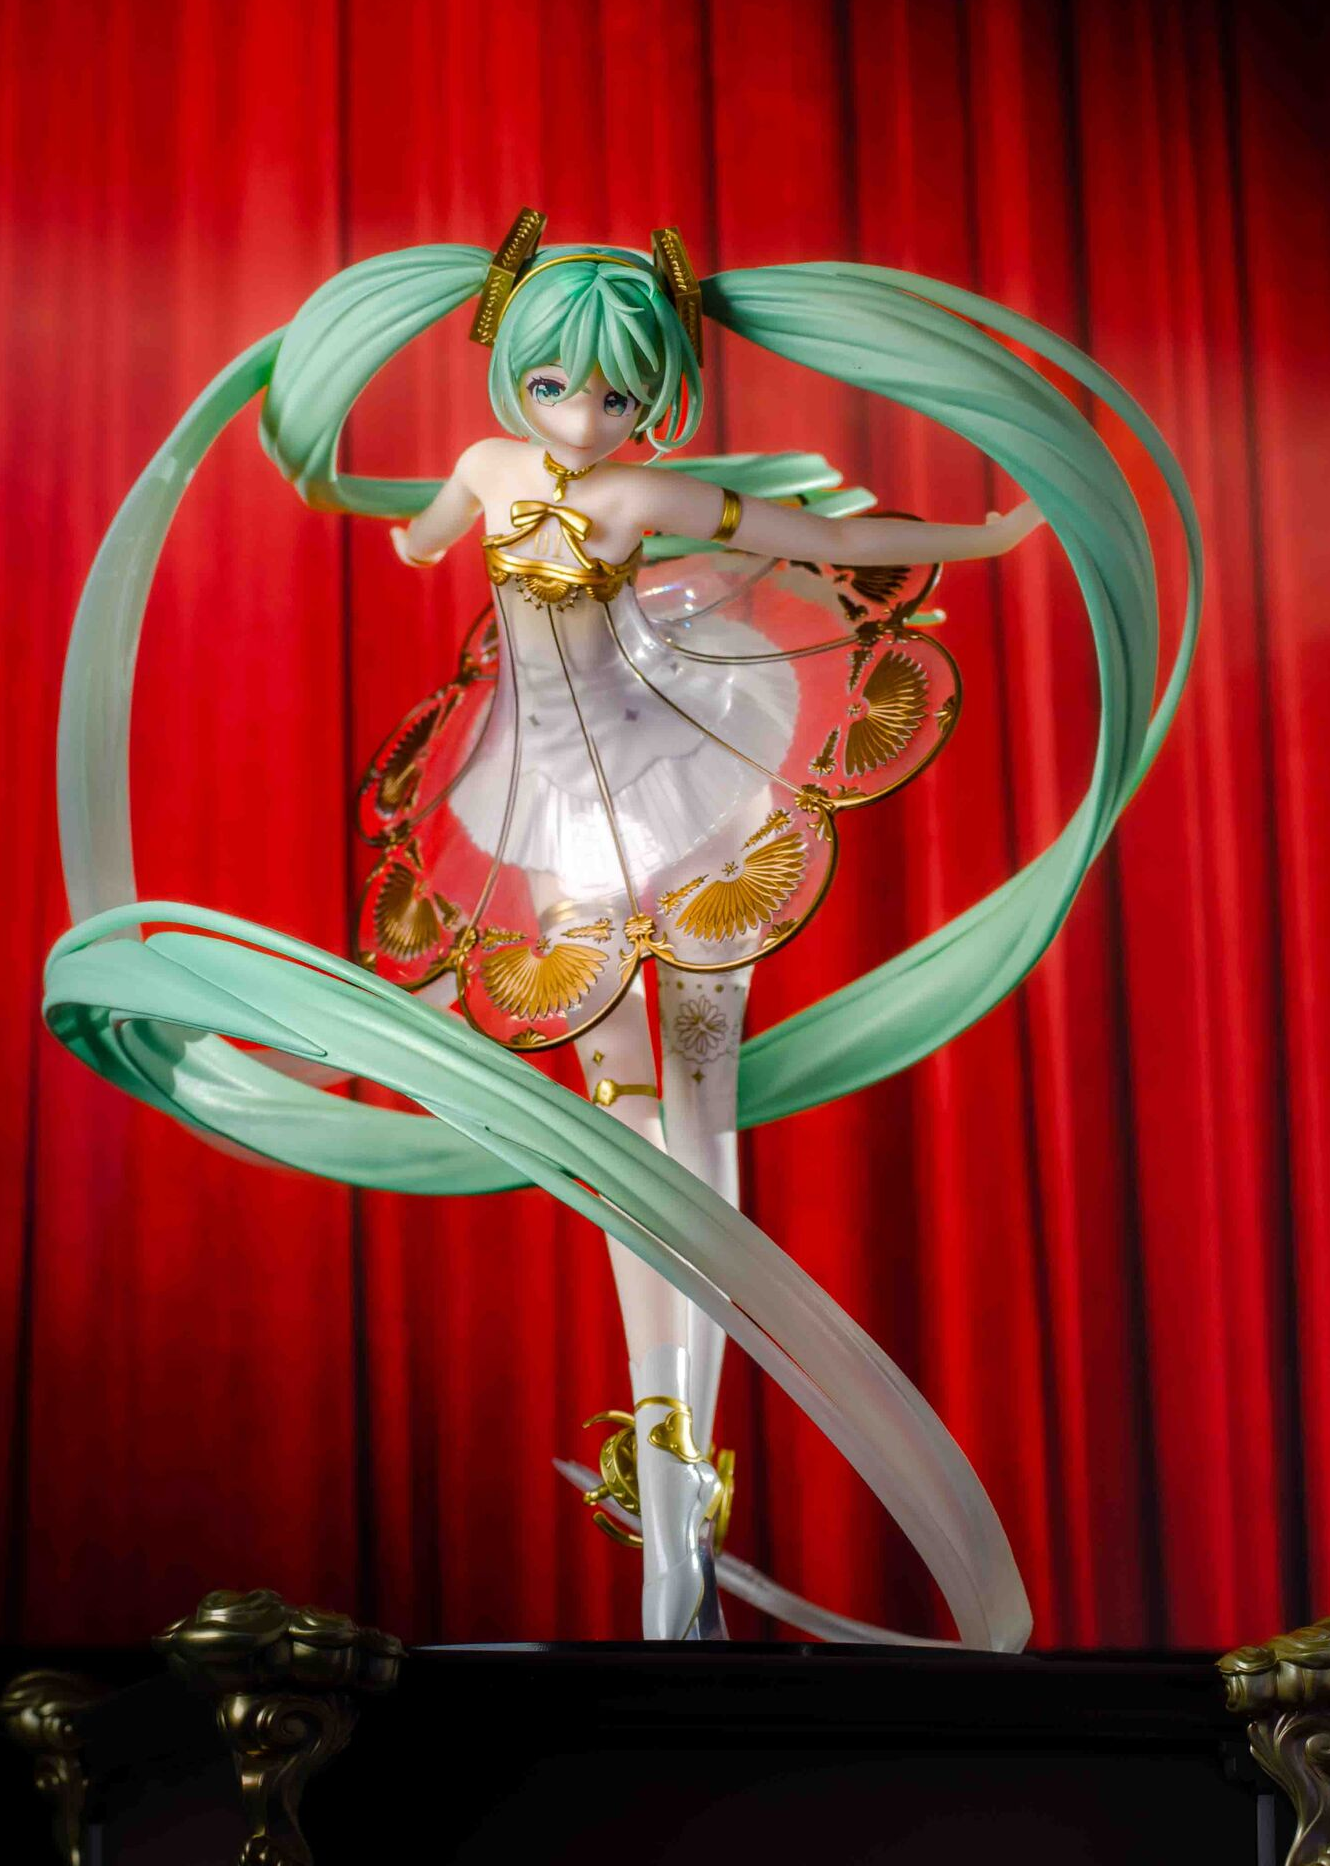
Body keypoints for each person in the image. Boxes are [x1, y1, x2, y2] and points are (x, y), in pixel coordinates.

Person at [344, 216, 1044, 1639]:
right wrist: (361, 492)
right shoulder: (490, 467)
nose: (581, 418)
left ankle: (679, 1540)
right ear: (510, 369)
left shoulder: (646, 493)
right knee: (627, 1139)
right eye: (555, 385)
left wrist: (986, 534)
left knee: (699, 1114)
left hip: (684, 786)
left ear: (655, 396)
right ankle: (672, 1535)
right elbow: (421, 539)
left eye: (615, 393)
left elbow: (825, 540)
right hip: (550, 819)